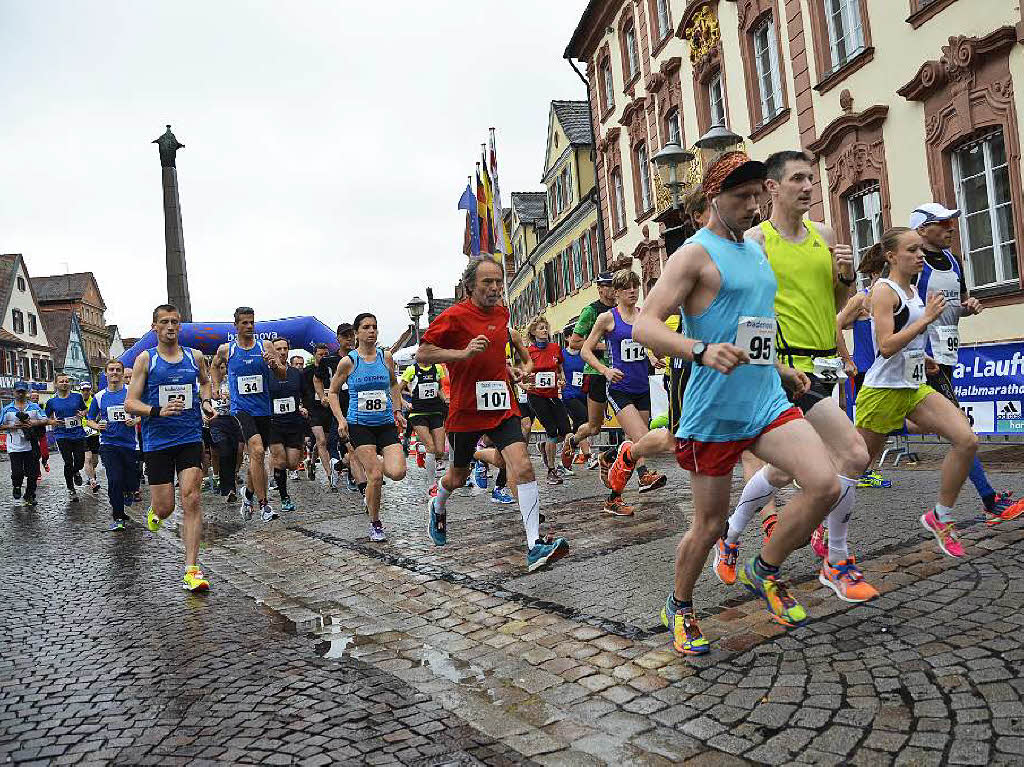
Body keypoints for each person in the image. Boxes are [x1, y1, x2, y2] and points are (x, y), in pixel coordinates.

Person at [633, 151, 840, 654]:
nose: (753, 205)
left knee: (825, 483)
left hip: (765, 397)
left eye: (756, 196)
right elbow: (646, 326)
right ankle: (680, 605)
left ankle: (765, 567)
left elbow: (754, 327)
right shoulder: (693, 255)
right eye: (742, 198)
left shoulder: (755, 250)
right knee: (709, 525)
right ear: (712, 198)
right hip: (715, 412)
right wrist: (699, 349)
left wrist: (782, 368)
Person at [713, 150, 876, 604]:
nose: (809, 186)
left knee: (783, 473)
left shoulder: (824, 235)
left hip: (826, 362)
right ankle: (837, 560)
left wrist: (844, 276)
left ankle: (730, 537)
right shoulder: (757, 242)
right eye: (799, 179)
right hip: (790, 370)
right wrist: (764, 368)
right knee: (853, 454)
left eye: (812, 178)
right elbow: (748, 309)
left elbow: (833, 301)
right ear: (773, 187)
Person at [419, 257, 568, 572]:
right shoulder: (454, 317)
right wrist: (463, 353)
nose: (496, 288)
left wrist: (509, 369)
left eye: (499, 281)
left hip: (501, 405)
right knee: (457, 478)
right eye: (488, 282)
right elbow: (423, 353)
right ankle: (438, 503)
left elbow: (495, 354)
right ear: (471, 285)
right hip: (465, 410)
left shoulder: (503, 313)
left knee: (524, 466)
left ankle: (533, 545)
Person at [854, 228, 980, 557]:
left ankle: (941, 516)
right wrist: (925, 321)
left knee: (966, 440)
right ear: (892, 256)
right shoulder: (884, 291)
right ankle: (820, 525)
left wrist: (923, 357)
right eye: (912, 250)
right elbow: (884, 346)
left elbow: (905, 340)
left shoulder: (912, 289)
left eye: (920, 249)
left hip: (912, 386)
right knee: (855, 466)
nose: (920, 255)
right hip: (882, 391)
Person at [910, 202, 1019, 522]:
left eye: (950, 223)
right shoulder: (915, 265)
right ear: (921, 230)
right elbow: (908, 311)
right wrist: (919, 351)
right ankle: (989, 499)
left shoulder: (953, 261)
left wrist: (967, 306)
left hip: (947, 353)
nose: (950, 228)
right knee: (960, 429)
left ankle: (860, 433)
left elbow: (952, 306)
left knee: (942, 425)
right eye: (941, 224)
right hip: (925, 357)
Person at [125, 303, 215, 591]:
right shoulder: (145, 359)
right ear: (155, 327)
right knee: (166, 507)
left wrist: (205, 401)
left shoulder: (195, 357)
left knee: (192, 498)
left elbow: (205, 384)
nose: (170, 327)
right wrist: (156, 411)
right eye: (164, 322)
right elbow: (130, 403)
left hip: (189, 437)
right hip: (157, 441)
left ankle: (192, 569)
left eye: (175, 321)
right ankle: (155, 512)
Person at [583, 269, 668, 516]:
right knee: (641, 439)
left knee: (635, 444)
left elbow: (648, 347)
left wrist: (654, 355)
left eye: (636, 286)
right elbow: (586, 350)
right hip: (619, 388)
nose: (633, 291)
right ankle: (641, 477)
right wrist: (605, 370)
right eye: (627, 288)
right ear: (617, 293)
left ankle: (610, 463)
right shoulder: (607, 319)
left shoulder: (644, 316)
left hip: (642, 386)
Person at [328, 312, 407, 541]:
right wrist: (341, 420)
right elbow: (332, 392)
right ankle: (375, 523)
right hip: (359, 425)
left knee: (398, 472)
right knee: (374, 475)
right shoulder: (349, 361)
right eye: (366, 327)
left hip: (385, 424)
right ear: (357, 333)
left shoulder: (386, 357)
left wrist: (397, 410)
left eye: (374, 327)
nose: (371, 331)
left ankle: (370, 492)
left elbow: (393, 384)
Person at [212, 307, 288, 522]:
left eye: (252, 322)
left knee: (258, 456)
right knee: (256, 450)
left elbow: (282, 373)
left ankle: (249, 493)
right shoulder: (227, 350)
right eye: (244, 323)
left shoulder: (265, 346)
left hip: (263, 409)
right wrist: (216, 386)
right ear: (235, 325)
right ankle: (264, 506)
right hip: (240, 409)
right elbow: (214, 367)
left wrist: (273, 364)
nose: (249, 327)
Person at [559, 272, 617, 469]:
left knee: (629, 419)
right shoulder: (591, 311)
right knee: (593, 427)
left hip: (620, 370)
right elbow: (575, 342)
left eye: (615, 285)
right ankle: (573, 442)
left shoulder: (621, 309)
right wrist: (603, 346)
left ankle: (631, 466)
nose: (612, 290)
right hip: (595, 372)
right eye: (608, 286)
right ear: (600, 288)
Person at [86, 360, 140, 530]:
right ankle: (118, 517)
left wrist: (135, 420)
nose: (114, 372)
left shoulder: (132, 393)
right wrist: (97, 426)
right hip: (108, 444)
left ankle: (129, 492)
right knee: (115, 480)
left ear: (123, 373)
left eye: (118, 370)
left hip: (130, 444)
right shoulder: (99, 396)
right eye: (111, 370)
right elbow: (89, 420)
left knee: (132, 479)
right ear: (106, 373)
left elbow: (144, 414)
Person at [524, 317, 573, 486]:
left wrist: (561, 379)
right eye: (541, 328)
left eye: (546, 328)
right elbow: (521, 373)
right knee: (552, 430)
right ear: (533, 332)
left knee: (567, 431)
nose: (545, 331)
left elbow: (559, 369)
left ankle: (545, 446)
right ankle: (551, 471)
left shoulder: (555, 348)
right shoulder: (528, 352)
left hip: (553, 395)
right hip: (536, 396)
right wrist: (525, 381)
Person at [268, 338, 311, 512]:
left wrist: (303, 407)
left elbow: (305, 393)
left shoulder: (296, 373)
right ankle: (285, 497)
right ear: (272, 351)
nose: (283, 351)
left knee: (292, 464)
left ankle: (279, 479)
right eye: (278, 348)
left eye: (285, 348)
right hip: (273, 422)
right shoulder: (266, 373)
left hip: (293, 422)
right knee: (280, 460)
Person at [400, 358, 449, 497]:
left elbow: (439, 388)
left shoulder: (438, 368)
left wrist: (445, 398)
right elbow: (397, 390)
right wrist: (405, 404)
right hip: (418, 413)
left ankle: (420, 448)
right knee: (431, 448)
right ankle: (432, 485)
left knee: (439, 451)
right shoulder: (412, 370)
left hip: (436, 411)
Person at [44, 373, 89, 502]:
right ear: (56, 384)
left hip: (78, 433)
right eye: (61, 381)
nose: (64, 383)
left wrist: (82, 413)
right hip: (62, 434)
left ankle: (76, 471)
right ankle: (71, 488)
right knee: (68, 461)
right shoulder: (52, 401)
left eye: (66, 381)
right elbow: (46, 418)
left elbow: (85, 410)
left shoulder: (77, 397)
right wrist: (52, 422)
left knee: (80, 461)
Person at [1, 381, 47, 506]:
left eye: (23, 391)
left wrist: (32, 423)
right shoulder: (7, 409)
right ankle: (16, 486)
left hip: (31, 444)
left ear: (27, 393)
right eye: (18, 391)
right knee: (17, 473)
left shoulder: (34, 407)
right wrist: (12, 426)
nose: (20, 394)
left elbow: (45, 419)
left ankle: (30, 495)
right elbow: (1, 425)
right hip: (14, 446)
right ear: (14, 392)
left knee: (33, 474)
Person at [208, 359, 244, 503]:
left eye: (224, 368)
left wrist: (232, 397)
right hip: (216, 421)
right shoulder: (208, 384)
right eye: (219, 368)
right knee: (224, 451)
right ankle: (228, 489)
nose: (221, 370)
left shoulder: (232, 381)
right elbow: (202, 401)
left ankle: (232, 481)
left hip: (233, 419)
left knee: (235, 452)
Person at [560, 323, 593, 468]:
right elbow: (556, 371)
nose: (581, 338)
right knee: (582, 418)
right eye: (577, 335)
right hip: (569, 394)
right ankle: (587, 454)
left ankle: (569, 445)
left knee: (583, 422)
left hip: (583, 393)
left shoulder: (585, 353)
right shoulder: (562, 355)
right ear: (568, 338)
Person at [77, 382, 103, 494]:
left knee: (95, 461)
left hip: (94, 434)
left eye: (87, 390)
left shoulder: (95, 401)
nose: (86, 392)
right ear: (80, 391)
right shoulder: (77, 402)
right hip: (82, 433)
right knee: (87, 459)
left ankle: (91, 474)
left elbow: (101, 413)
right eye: (83, 390)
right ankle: (93, 481)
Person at [27, 390, 50, 480]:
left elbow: (46, 418)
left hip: (41, 432)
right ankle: (38, 473)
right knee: (35, 454)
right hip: (32, 433)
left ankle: (44, 461)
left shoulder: (41, 407)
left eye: (37, 398)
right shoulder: (27, 408)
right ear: (30, 398)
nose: (35, 399)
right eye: (33, 398)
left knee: (45, 452)